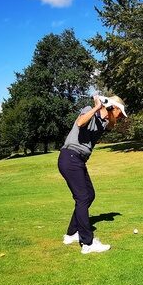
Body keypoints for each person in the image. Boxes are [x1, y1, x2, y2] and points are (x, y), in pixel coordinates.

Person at [57, 95, 127, 254]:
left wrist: (105, 108)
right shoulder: (89, 110)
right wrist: (97, 106)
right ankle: (87, 243)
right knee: (82, 197)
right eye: (120, 113)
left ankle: (71, 233)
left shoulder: (104, 122)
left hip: (78, 161)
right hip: (70, 157)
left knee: (89, 195)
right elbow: (80, 122)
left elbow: (111, 125)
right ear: (113, 108)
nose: (121, 117)